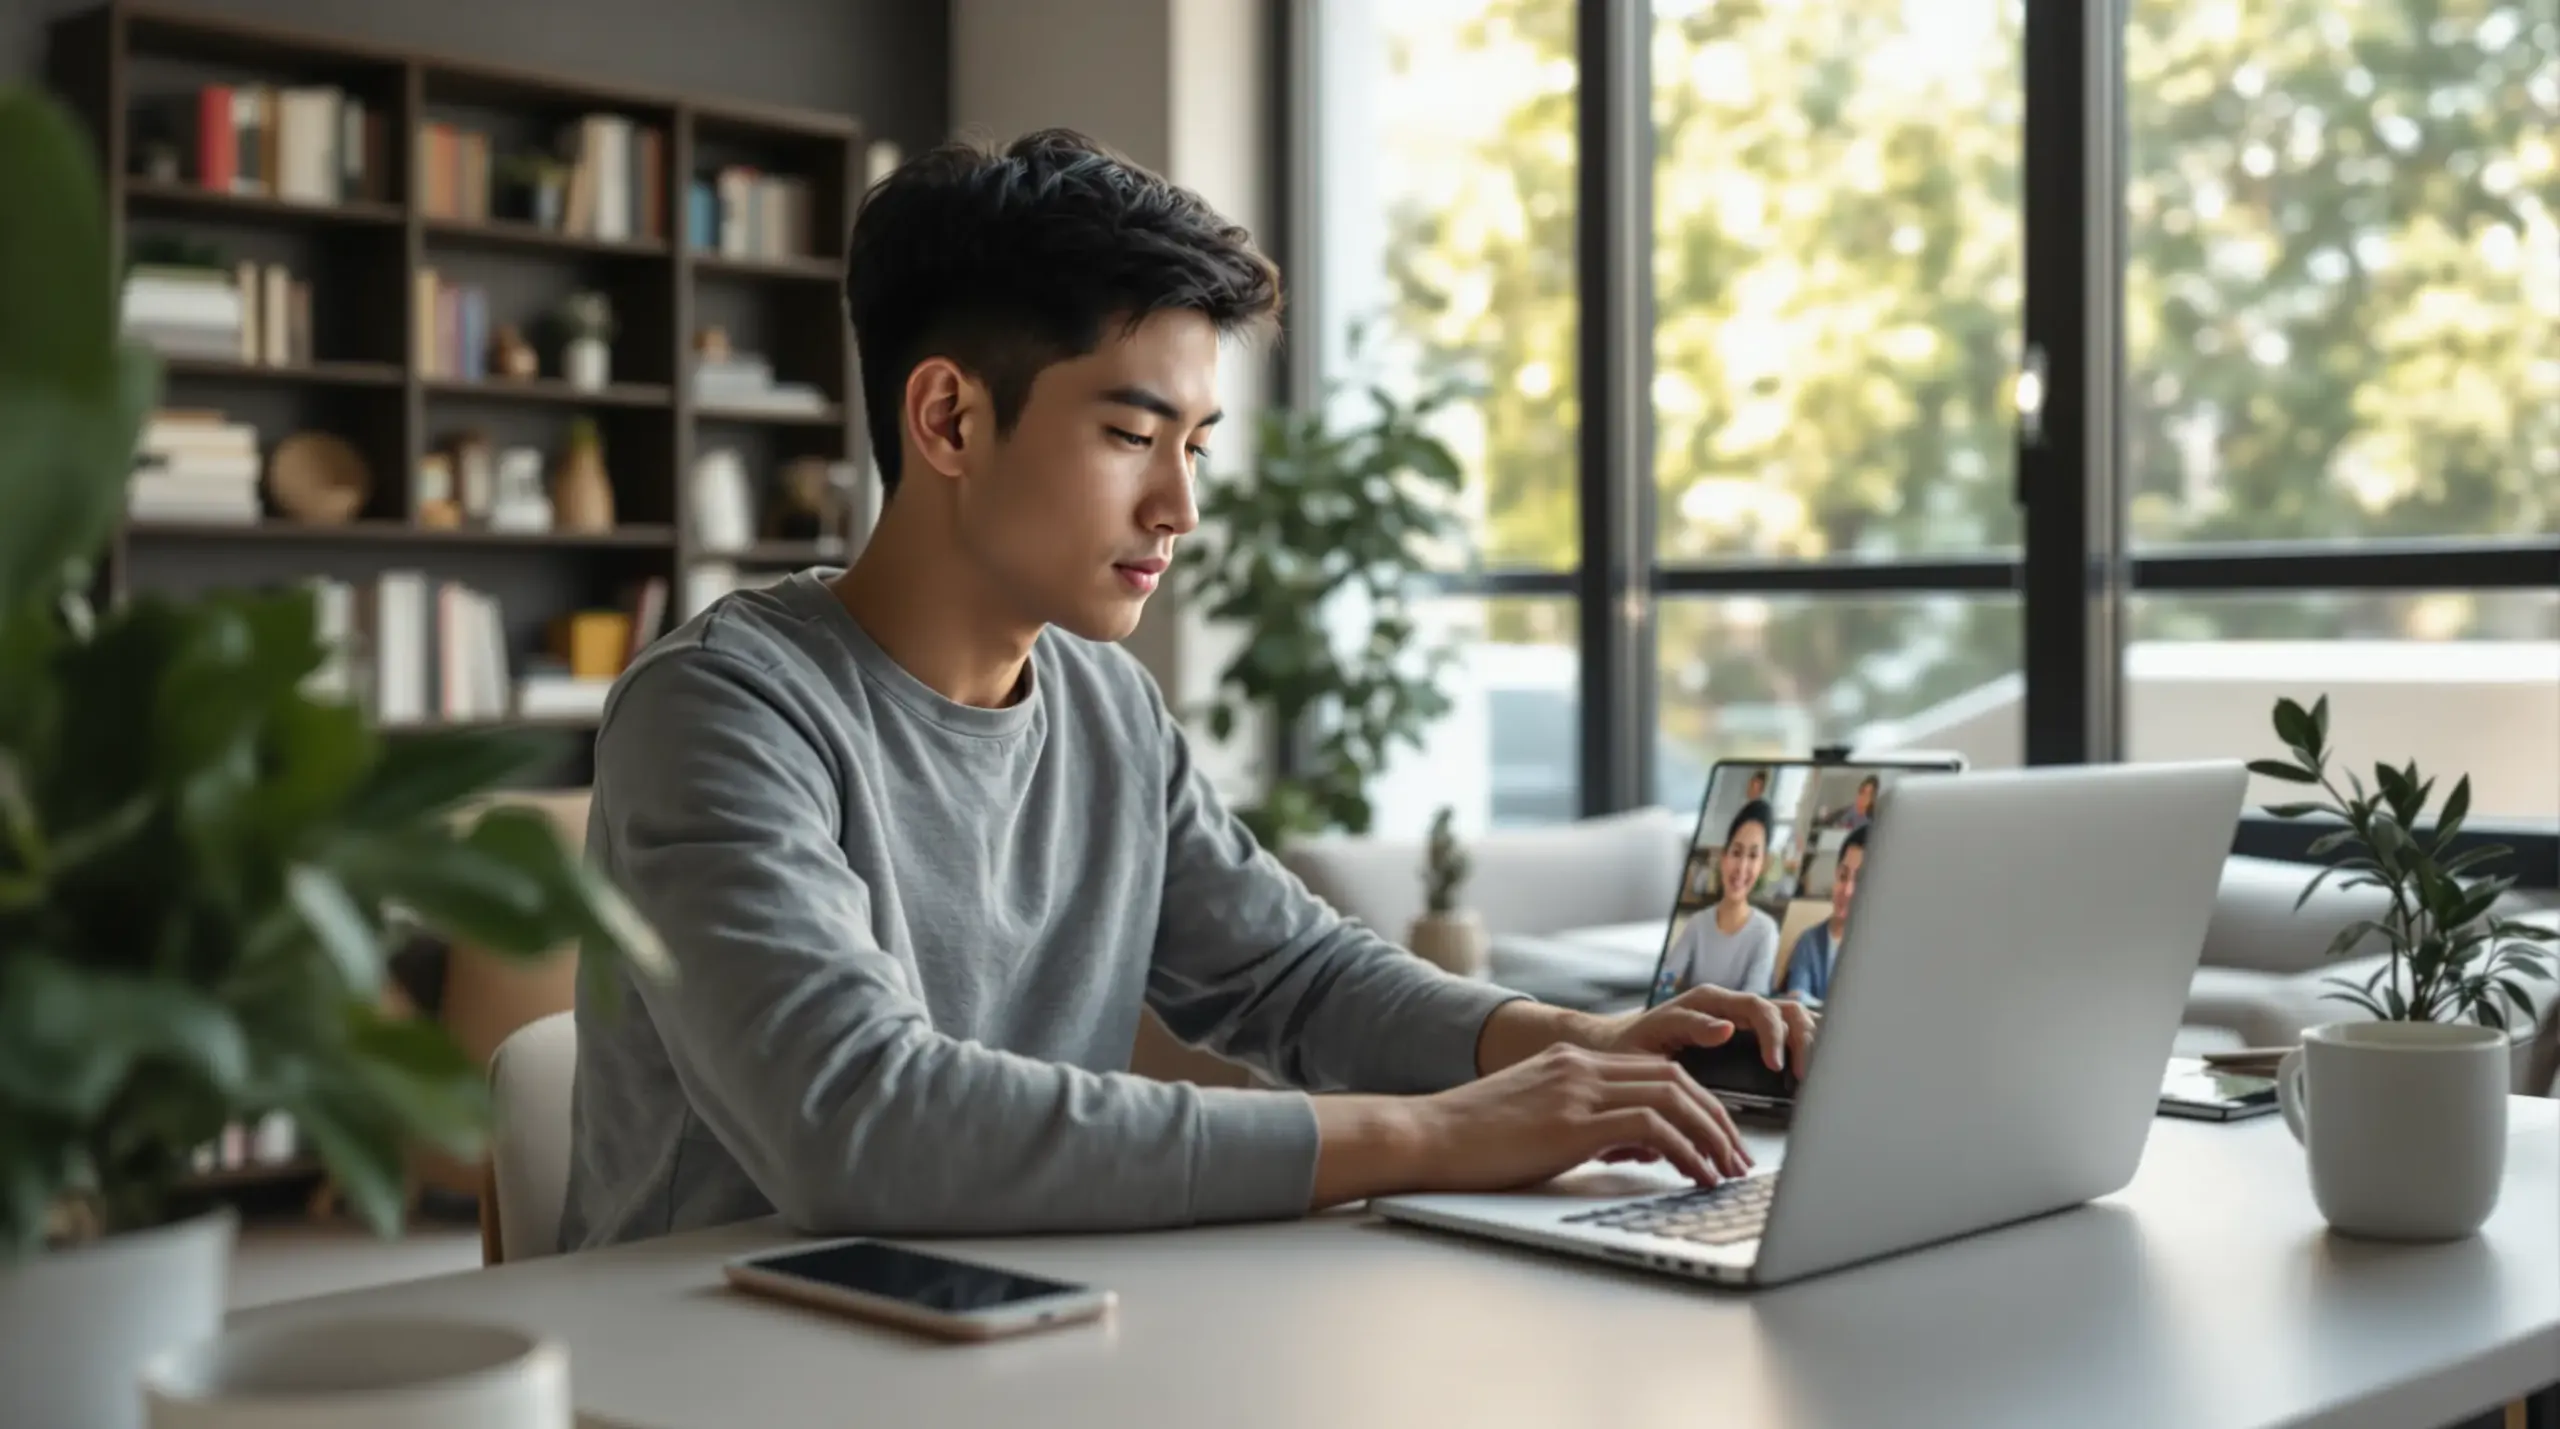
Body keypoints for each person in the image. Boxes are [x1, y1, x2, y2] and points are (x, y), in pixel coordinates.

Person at [558, 131, 1813, 1252]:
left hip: (1014, 1324)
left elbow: (1297, 977)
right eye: (1129, 435)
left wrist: (1580, 1046)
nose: (1181, 507)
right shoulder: (721, 710)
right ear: (946, 418)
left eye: (1195, 445)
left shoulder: (1105, 707)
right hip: (719, 1357)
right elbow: (860, 1122)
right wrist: (1438, 1135)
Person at [1651, 800, 1781, 1001]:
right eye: (1736, 852)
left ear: (1762, 865)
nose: (1741, 867)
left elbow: (1753, 1002)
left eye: (1753, 856)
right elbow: (1666, 980)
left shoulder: (1766, 931)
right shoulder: (1697, 923)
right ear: (1724, 857)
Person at [1780, 826, 1866, 1004]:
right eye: (1843, 876)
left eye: (1859, 880)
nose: (1847, 890)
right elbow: (1796, 1000)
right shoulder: (1809, 941)